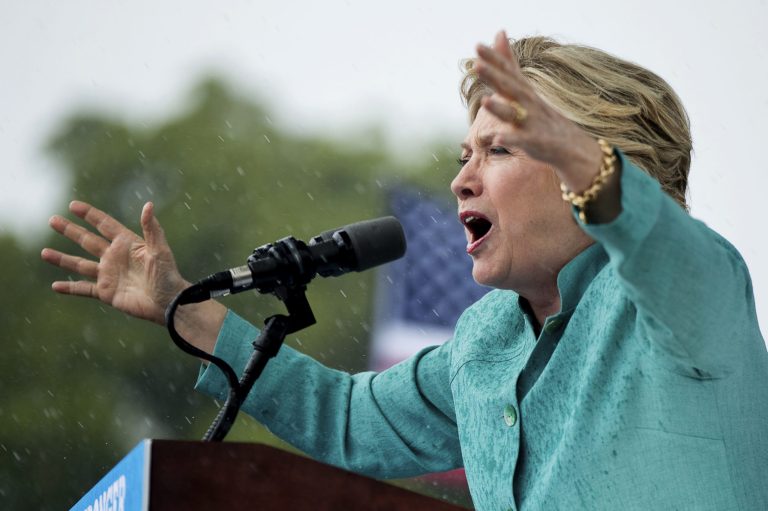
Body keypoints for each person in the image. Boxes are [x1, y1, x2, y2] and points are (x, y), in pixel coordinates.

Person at [41, 31, 768, 510]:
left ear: (587, 161)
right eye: (463, 156)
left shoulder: (689, 305)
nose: (462, 180)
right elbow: (349, 416)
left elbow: (667, 247)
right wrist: (181, 305)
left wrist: (582, 157)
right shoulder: (485, 342)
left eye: (500, 149)